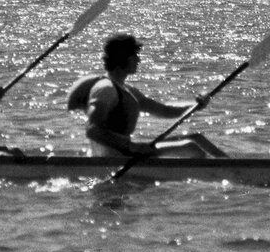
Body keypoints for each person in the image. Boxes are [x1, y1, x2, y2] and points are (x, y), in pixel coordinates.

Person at [77, 33, 227, 158]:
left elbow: (165, 110)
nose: (138, 60)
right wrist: (133, 146)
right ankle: (223, 175)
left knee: (197, 139)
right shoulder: (105, 90)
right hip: (114, 158)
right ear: (123, 59)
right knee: (192, 148)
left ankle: (235, 169)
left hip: (126, 152)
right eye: (134, 56)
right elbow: (93, 130)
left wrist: (195, 106)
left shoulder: (128, 91)